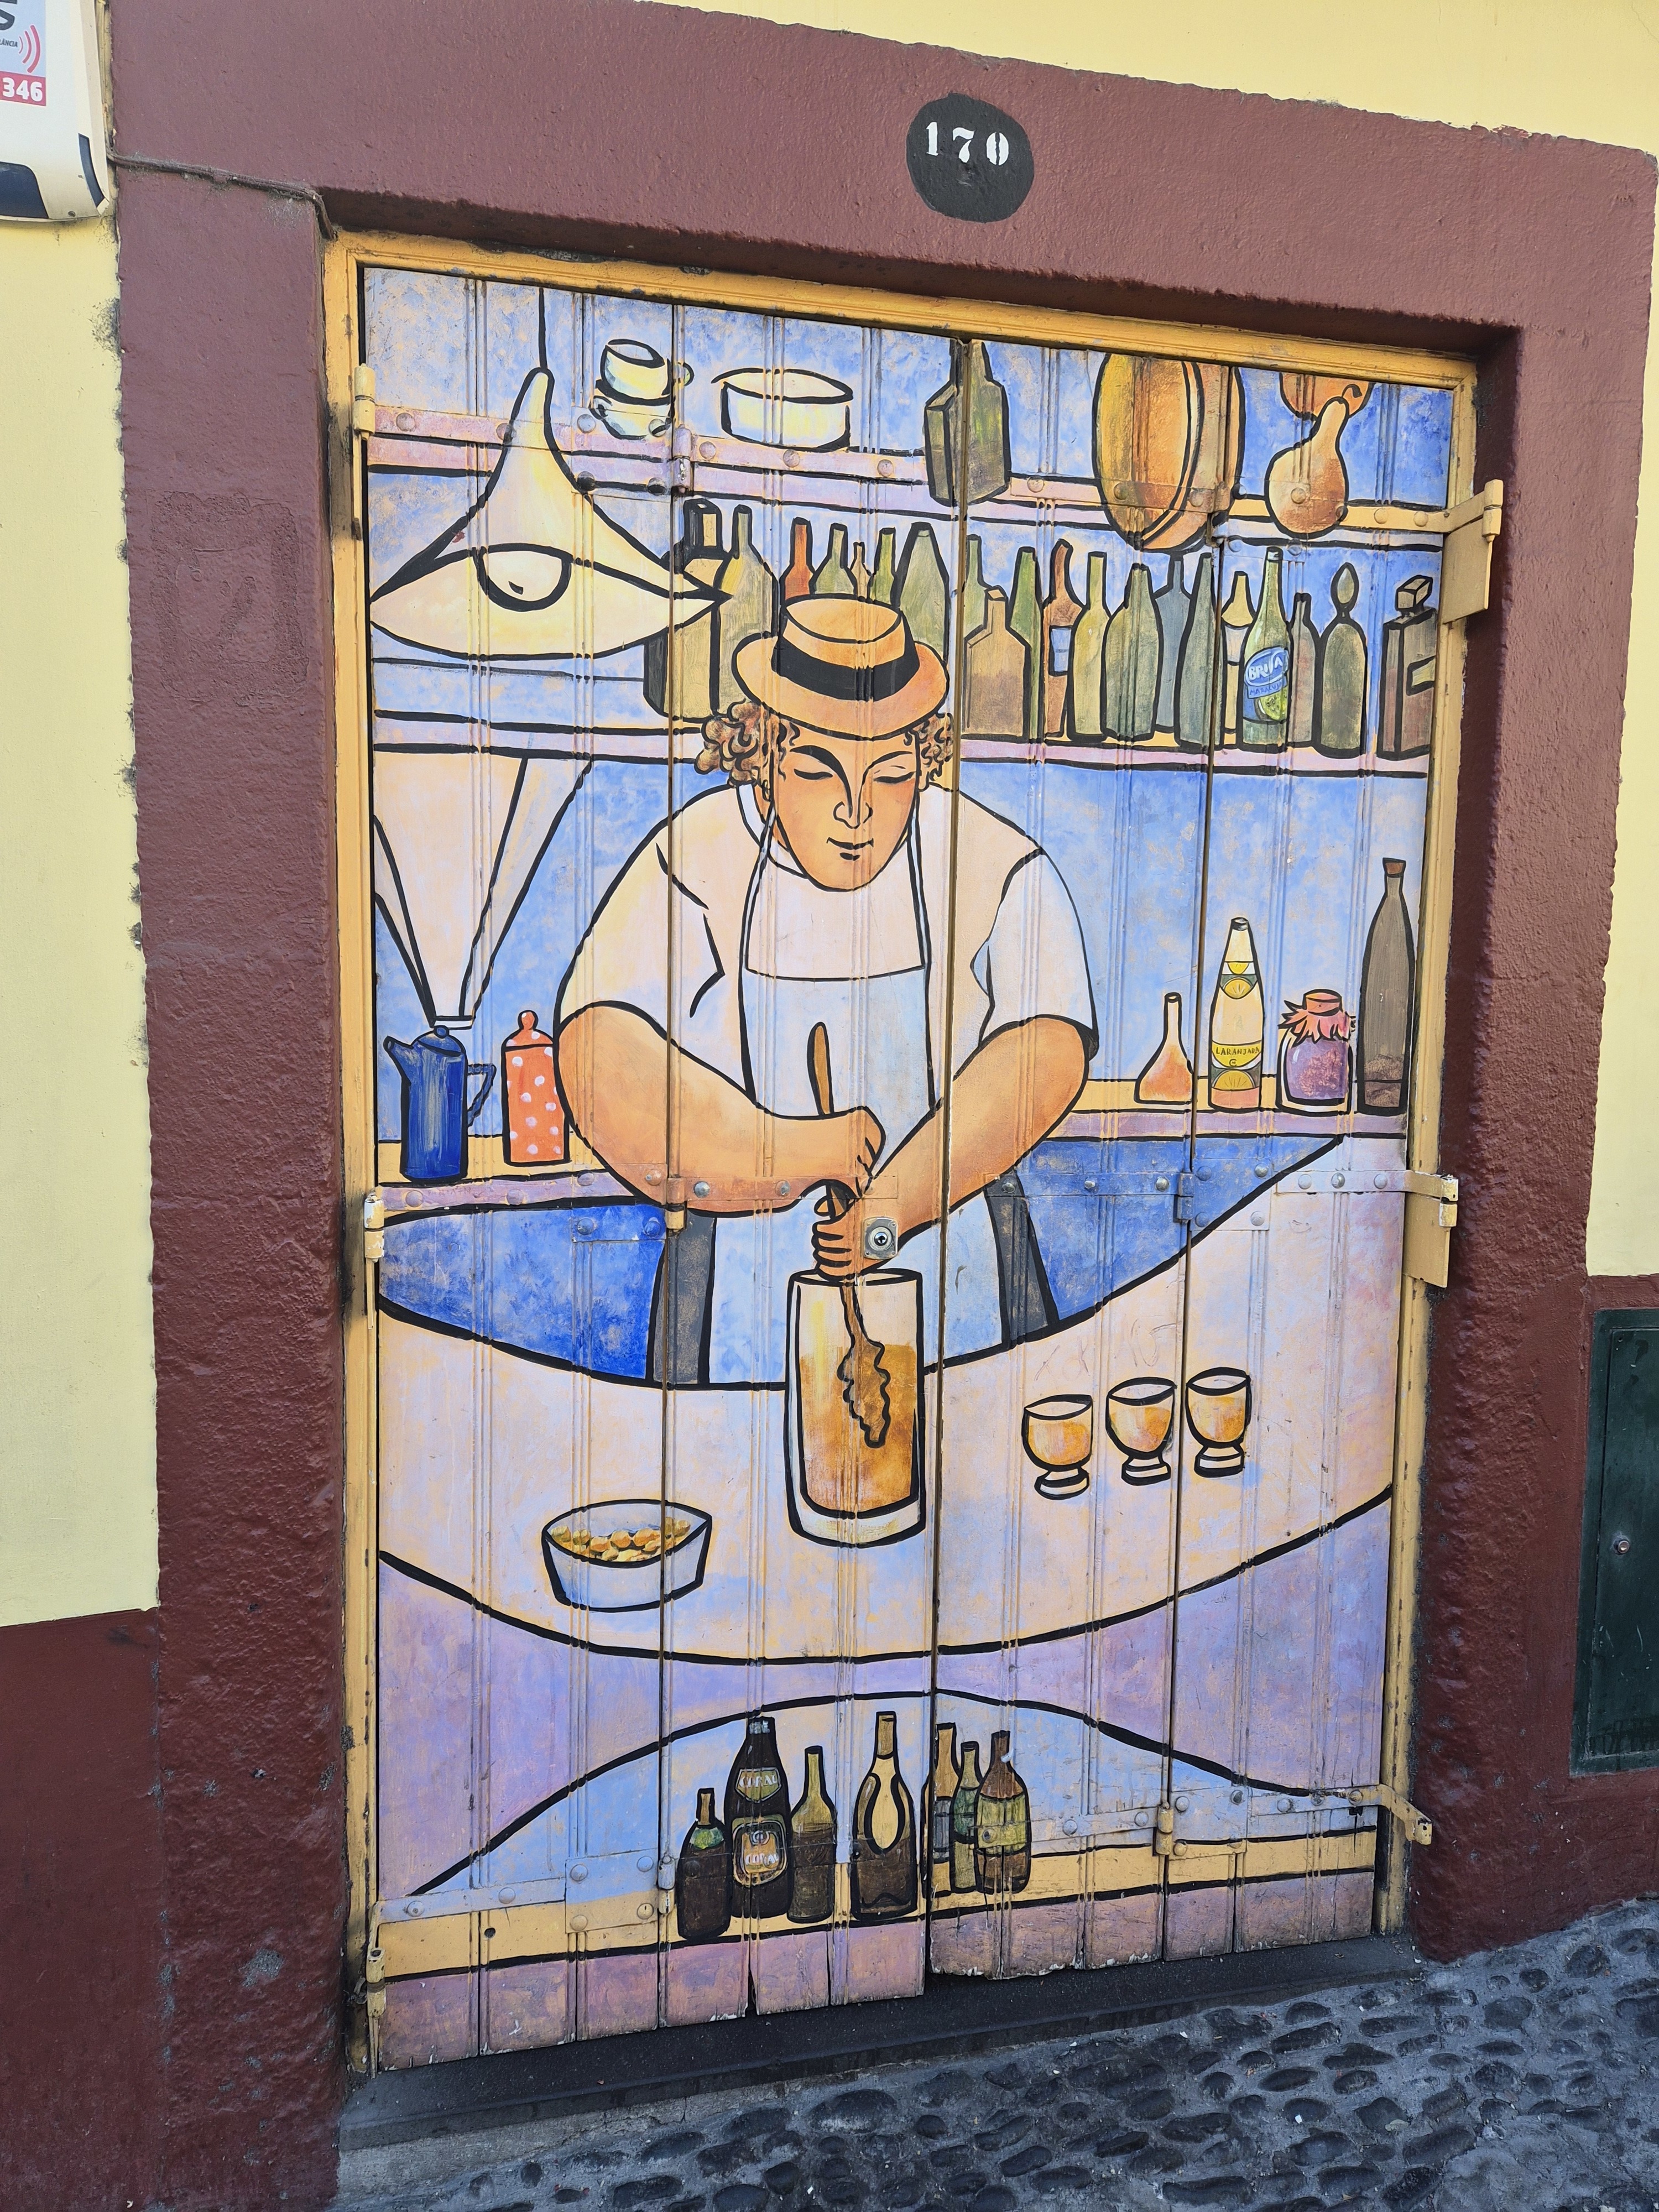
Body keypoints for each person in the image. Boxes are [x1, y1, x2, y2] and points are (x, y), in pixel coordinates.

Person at [556, 595, 1096, 1385]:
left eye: (892, 776)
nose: (856, 813)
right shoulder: (696, 856)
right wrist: (790, 1150)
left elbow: (1047, 1050)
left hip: (954, 1259)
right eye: (816, 771)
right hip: (743, 1278)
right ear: (763, 762)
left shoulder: (989, 858)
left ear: (924, 762)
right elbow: (597, 1055)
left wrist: (894, 1206)